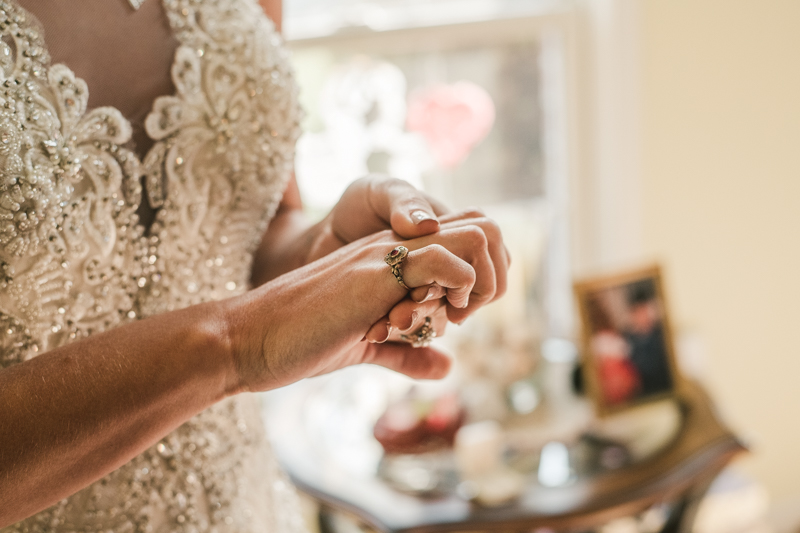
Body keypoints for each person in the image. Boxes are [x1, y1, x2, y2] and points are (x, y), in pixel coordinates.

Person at [0, 0, 510, 531]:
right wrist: (237, 341)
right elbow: (243, 331)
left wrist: (324, 248)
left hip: (242, 504)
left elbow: (253, 228)